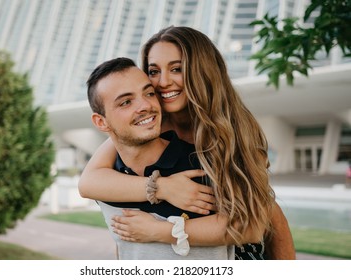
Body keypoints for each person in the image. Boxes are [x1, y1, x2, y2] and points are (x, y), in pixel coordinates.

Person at [79, 26, 295, 260]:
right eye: (154, 71)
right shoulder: (149, 124)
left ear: (202, 71)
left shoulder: (232, 132)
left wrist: (161, 231)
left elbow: (259, 220)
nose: (163, 82)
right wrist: (162, 187)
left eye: (176, 69)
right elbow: (89, 182)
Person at [86, 57, 238, 259]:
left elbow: (249, 226)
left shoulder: (206, 162)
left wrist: (163, 230)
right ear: (101, 122)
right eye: (126, 102)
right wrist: (161, 187)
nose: (145, 105)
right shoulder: (107, 178)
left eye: (149, 93)